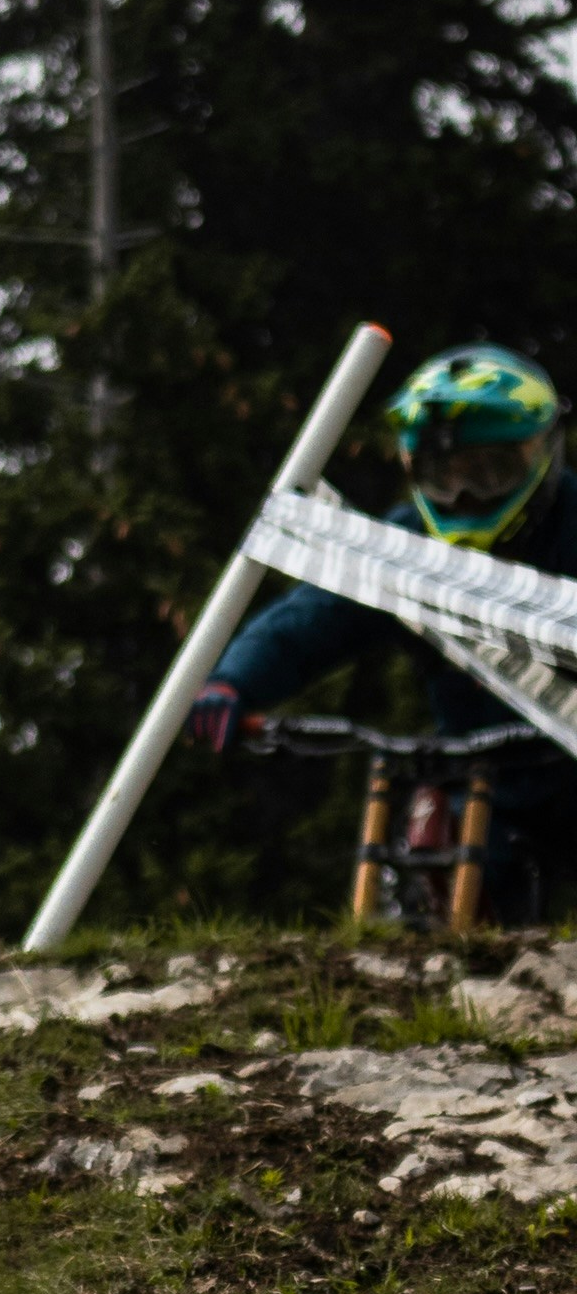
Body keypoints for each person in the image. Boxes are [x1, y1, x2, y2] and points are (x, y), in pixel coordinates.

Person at [187, 343, 577, 916]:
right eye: (443, 478)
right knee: (430, 846)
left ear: (543, 454)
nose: (465, 496)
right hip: (481, 783)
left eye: (491, 472)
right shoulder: (405, 548)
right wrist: (232, 681)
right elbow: (312, 617)